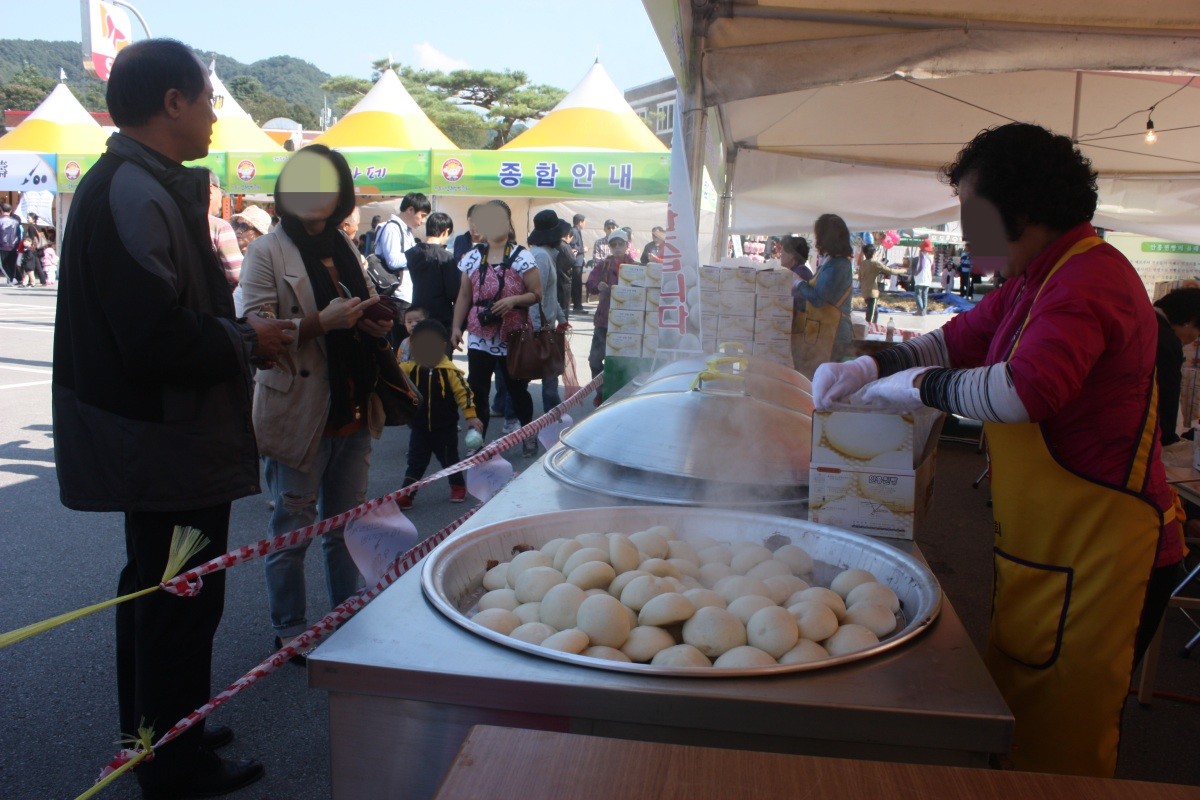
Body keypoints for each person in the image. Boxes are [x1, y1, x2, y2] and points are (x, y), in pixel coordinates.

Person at [813, 122, 1185, 778]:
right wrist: (871, 369)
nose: (967, 232)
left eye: (974, 214)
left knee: (1065, 747)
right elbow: (957, 340)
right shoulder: (1032, 277)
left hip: (1105, 554)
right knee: (1022, 724)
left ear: (1027, 207)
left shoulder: (1091, 279)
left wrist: (916, 386)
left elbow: (1025, 392)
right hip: (1047, 551)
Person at [53, 38, 295, 798]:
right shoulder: (133, 189)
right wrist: (245, 338)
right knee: (178, 599)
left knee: (162, 594)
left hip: (162, 438)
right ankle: (173, 764)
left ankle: (162, 731)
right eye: (209, 100)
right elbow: (153, 336)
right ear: (172, 104)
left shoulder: (141, 181)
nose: (215, 116)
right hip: (162, 441)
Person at [240, 145, 392, 670]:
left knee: (345, 525)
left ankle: (345, 615)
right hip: (299, 411)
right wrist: (319, 324)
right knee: (291, 528)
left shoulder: (347, 247)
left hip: (352, 405)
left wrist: (376, 318)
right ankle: (289, 630)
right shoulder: (267, 252)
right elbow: (252, 335)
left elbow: (366, 301)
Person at [450, 199, 543, 457]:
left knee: (517, 389)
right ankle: (477, 440)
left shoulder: (522, 256)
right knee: (477, 388)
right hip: (480, 333)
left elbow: (537, 294)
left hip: (513, 334)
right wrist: (456, 327)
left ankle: (528, 432)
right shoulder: (471, 257)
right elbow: (464, 297)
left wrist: (514, 300)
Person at [397, 318, 483, 508]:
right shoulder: (408, 369)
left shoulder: (449, 371)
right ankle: (407, 493)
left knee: (449, 459)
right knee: (415, 461)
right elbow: (394, 379)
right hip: (419, 427)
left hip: (445, 427)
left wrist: (471, 415)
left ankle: (458, 485)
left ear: (442, 346)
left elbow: (464, 393)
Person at [792, 214, 853, 377]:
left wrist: (798, 283)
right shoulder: (830, 262)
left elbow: (818, 299)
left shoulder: (838, 265)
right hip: (822, 330)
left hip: (834, 335)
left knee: (827, 379)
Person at [586, 227, 637, 401]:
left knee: (622, 361)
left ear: (626, 245)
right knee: (595, 359)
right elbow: (591, 283)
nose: (616, 247)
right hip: (604, 320)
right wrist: (597, 286)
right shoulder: (603, 265)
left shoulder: (635, 267)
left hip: (627, 323)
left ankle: (620, 394)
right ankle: (601, 392)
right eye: (613, 244)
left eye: (620, 244)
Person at [527, 210, 569, 418]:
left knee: (531, 373)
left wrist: (561, 318)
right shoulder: (542, 258)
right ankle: (553, 414)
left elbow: (549, 294)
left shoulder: (542, 254)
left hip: (543, 325)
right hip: (540, 327)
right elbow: (536, 296)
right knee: (548, 373)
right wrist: (538, 328)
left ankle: (553, 412)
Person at [1153, 287, 1200, 445]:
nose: (1194, 339)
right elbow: (1167, 395)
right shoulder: (1167, 341)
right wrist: (1167, 438)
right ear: (1190, 322)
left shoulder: (1144, 321)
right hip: (1144, 439)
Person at [374, 191, 431, 304]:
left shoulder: (406, 231)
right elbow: (393, 261)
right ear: (410, 210)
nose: (423, 221)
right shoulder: (392, 229)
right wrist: (418, 253)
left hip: (406, 294)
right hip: (396, 296)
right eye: (422, 216)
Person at [407, 211, 459, 329]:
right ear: (445, 231)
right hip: (440, 317)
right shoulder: (446, 257)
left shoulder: (411, 253)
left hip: (416, 314)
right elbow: (453, 292)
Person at [207, 171, 242, 290]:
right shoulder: (219, 227)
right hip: (212, 302)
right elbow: (237, 276)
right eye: (220, 190)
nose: (222, 194)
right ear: (211, 190)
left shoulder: (173, 219)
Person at [857, 244, 906, 324]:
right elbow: (890, 271)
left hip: (865, 291)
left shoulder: (863, 263)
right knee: (871, 316)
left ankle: (873, 329)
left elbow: (859, 278)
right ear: (873, 253)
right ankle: (868, 330)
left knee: (875, 312)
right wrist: (903, 271)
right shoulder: (875, 263)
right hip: (872, 293)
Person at [568, 213, 588, 314]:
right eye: (584, 222)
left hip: (578, 261)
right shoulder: (575, 231)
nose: (585, 224)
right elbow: (572, 246)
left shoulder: (576, 231)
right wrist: (582, 249)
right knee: (576, 284)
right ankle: (577, 305)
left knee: (577, 283)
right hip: (576, 262)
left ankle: (578, 304)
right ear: (580, 222)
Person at [910, 238, 934, 315]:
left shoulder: (922, 254)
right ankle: (924, 310)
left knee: (918, 293)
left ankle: (920, 310)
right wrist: (930, 274)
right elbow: (933, 268)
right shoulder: (932, 256)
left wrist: (916, 273)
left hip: (921, 277)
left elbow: (921, 266)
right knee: (925, 294)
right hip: (928, 277)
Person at [0, 202, 19, 284]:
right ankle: (13, 278)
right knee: (12, 263)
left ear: (1, 210)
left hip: (2, 245)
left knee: (3, 264)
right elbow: (19, 234)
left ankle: (11, 279)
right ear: (11, 210)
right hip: (14, 245)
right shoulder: (16, 222)